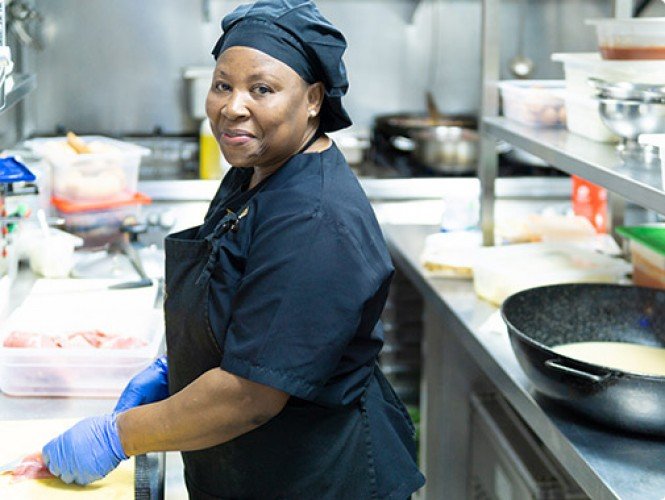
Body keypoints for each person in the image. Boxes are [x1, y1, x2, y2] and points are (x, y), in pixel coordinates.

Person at [42, 0, 426, 497]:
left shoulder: (315, 220)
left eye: (261, 89)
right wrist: (178, 368)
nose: (233, 106)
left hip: (315, 478)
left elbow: (251, 396)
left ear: (312, 99)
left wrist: (118, 436)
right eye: (223, 84)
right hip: (251, 466)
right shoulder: (259, 167)